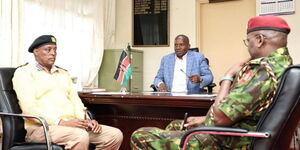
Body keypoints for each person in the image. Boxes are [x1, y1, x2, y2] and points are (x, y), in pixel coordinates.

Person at [131, 15, 293, 149]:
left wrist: (228, 76)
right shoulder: (283, 64)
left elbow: (219, 118)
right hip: (247, 131)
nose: (248, 46)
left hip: (231, 140)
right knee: (175, 125)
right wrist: (204, 119)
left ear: (259, 40)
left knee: (141, 136)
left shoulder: (261, 70)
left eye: (247, 41)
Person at [12, 35, 123, 150]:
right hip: (41, 128)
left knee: (114, 135)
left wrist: (86, 121)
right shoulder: (24, 73)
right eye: (48, 49)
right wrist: (61, 123)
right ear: (36, 52)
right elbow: (29, 108)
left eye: (55, 50)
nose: (53, 53)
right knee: (80, 136)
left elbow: (75, 101)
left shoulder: (63, 73)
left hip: (71, 126)